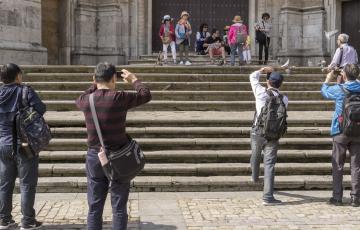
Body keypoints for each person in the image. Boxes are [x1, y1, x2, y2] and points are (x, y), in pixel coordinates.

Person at [75, 63, 151, 230]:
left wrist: (95, 84)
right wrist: (134, 80)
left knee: (94, 207)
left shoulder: (85, 100)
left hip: (95, 156)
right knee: (119, 207)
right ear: (114, 78)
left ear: (94, 79)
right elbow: (145, 94)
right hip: (118, 158)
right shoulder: (119, 97)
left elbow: (82, 96)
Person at [0, 63, 46, 230]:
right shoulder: (25, 91)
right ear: (18, 75)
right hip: (24, 143)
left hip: (3, 143)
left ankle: (4, 220)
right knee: (27, 184)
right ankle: (27, 221)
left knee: (5, 184)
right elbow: (41, 109)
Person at [321, 64, 360, 207]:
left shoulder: (338, 89)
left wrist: (328, 78)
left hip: (340, 129)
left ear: (343, 75)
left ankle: (337, 197)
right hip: (358, 130)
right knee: (356, 166)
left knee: (338, 165)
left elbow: (324, 91)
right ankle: (355, 198)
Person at [249, 66, 288, 205]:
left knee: (255, 154)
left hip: (258, 131)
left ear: (268, 82)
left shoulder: (261, 93)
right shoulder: (284, 99)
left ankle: (254, 177)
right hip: (274, 134)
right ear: (280, 84)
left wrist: (261, 70)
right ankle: (268, 197)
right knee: (269, 164)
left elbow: (252, 77)